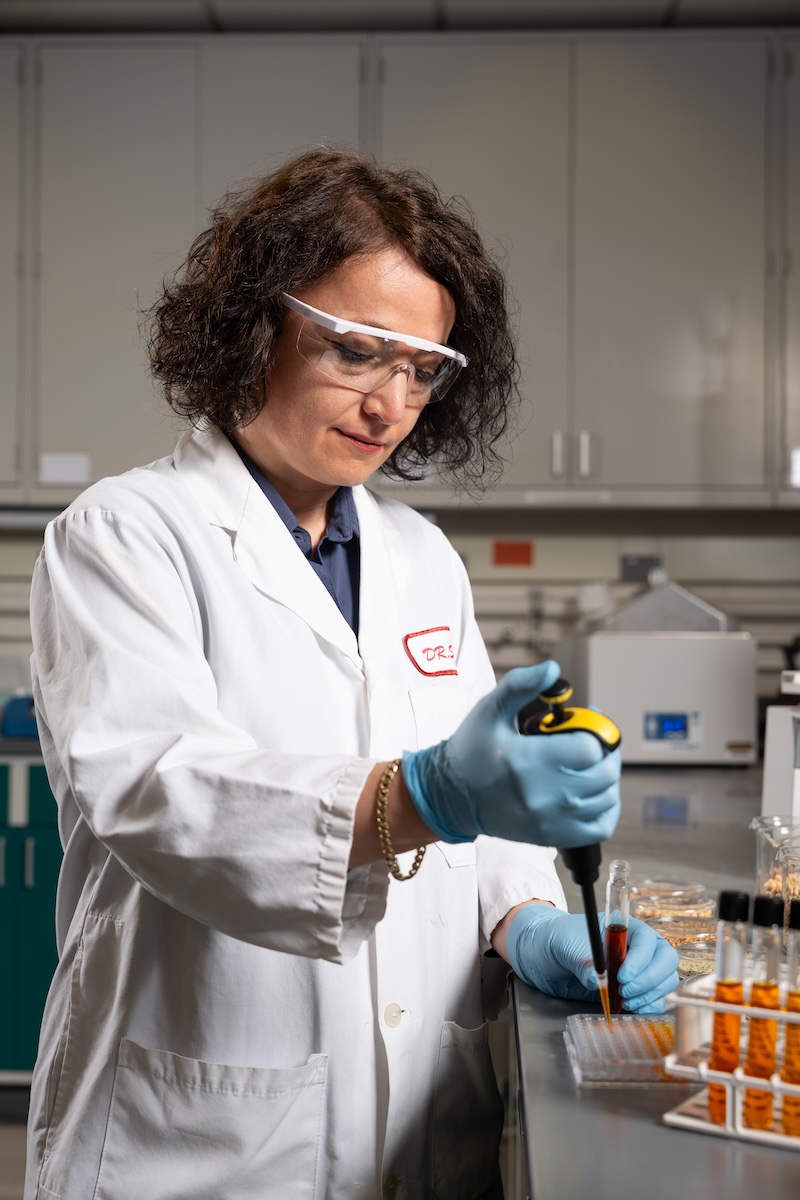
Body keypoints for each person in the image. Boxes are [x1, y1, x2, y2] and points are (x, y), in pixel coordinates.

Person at [24, 148, 678, 1200]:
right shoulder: (126, 536)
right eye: (355, 351)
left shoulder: (420, 557)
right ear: (252, 327)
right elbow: (158, 795)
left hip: (422, 1124)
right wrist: (418, 796)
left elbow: (486, 811)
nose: (388, 402)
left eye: (420, 367)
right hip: (205, 1138)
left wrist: (524, 917)